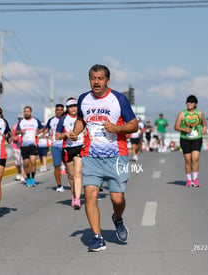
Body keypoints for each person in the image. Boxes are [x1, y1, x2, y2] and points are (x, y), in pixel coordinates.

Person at [70, 64, 138, 252]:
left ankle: (117, 219)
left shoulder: (118, 99)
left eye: (100, 78)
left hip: (117, 155)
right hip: (91, 156)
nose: (96, 82)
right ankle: (98, 237)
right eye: (93, 78)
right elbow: (81, 120)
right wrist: (76, 132)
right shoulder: (84, 99)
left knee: (117, 199)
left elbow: (134, 125)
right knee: (90, 194)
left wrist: (117, 128)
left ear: (107, 80)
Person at [56, 97, 85, 210]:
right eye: (70, 106)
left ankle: (77, 199)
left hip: (80, 146)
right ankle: (73, 196)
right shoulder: (63, 119)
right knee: (71, 176)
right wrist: (66, 135)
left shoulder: (82, 117)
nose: (73, 108)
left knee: (78, 173)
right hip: (68, 149)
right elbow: (57, 136)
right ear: (67, 108)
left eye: (75, 106)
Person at [174, 95, 207, 188]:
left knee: (195, 158)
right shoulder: (182, 114)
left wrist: (204, 129)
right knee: (188, 160)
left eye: (191, 102)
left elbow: (204, 124)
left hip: (197, 138)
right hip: (185, 139)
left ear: (195, 104)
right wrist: (184, 130)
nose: (189, 104)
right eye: (188, 102)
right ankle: (189, 180)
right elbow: (176, 127)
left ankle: (195, 179)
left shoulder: (199, 113)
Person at [15, 106, 45, 187]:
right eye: (25, 111)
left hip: (33, 144)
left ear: (31, 112)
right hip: (24, 145)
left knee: (33, 161)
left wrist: (38, 133)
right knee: (26, 163)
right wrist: (21, 131)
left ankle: (33, 178)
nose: (26, 113)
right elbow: (16, 132)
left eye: (28, 111)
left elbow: (43, 128)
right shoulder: (21, 122)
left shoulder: (35, 120)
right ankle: (28, 178)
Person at [45, 104, 65, 192]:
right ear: (55, 111)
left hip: (66, 145)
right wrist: (43, 134)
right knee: (56, 166)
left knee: (70, 166)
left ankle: (72, 180)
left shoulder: (66, 119)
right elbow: (46, 129)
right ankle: (59, 185)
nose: (59, 111)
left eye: (61, 110)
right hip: (55, 145)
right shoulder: (51, 120)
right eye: (58, 110)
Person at [11, 114, 25, 182]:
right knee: (17, 163)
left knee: (22, 162)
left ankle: (22, 175)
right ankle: (19, 172)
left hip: (23, 146)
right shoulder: (14, 126)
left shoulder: (25, 126)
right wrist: (14, 138)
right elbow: (11, 136)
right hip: (15, 146)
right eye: (19, 119)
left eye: (22, 119)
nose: (20, 120)